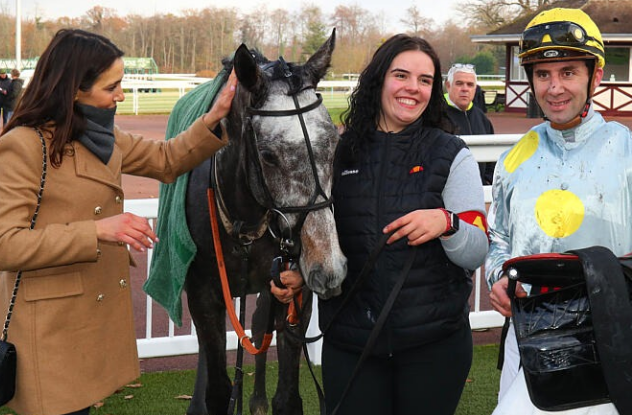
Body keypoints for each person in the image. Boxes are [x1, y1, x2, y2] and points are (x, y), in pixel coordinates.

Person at [0, 28, 237, 415]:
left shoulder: (102, 134)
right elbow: (5, 244)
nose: (122, 95)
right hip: (47, 327)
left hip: (87, 319)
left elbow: (166, 160)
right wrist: (97, 230)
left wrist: (216, 116)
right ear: (75, 88)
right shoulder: (23, 145)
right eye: (113, 87)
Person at [272, 34, 489, 415]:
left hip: (434, 347)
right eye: (401, 75)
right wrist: (297, 274)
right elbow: (321, 236)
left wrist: (446, 223)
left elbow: (476, 251)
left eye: (425, 80)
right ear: (378, 79)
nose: (413, 89)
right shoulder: (337, 153)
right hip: (352, 344)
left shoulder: (452, 154)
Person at [486, 8, 629, 415]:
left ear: (594, 76)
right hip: (526, 333)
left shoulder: (628, 152)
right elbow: (499, 241)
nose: (554, 88)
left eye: (568, 72)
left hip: (611, 335)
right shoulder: (513, 159)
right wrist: (499, 279)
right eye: (543, 74)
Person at [444, 63, 496, 185]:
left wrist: (487, 181)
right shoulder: (436, 115)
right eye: (459, 83)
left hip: (479, 190)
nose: (465, 89)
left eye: (470, 85)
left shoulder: (482, 118)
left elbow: (492, 155)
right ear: (448, 86)